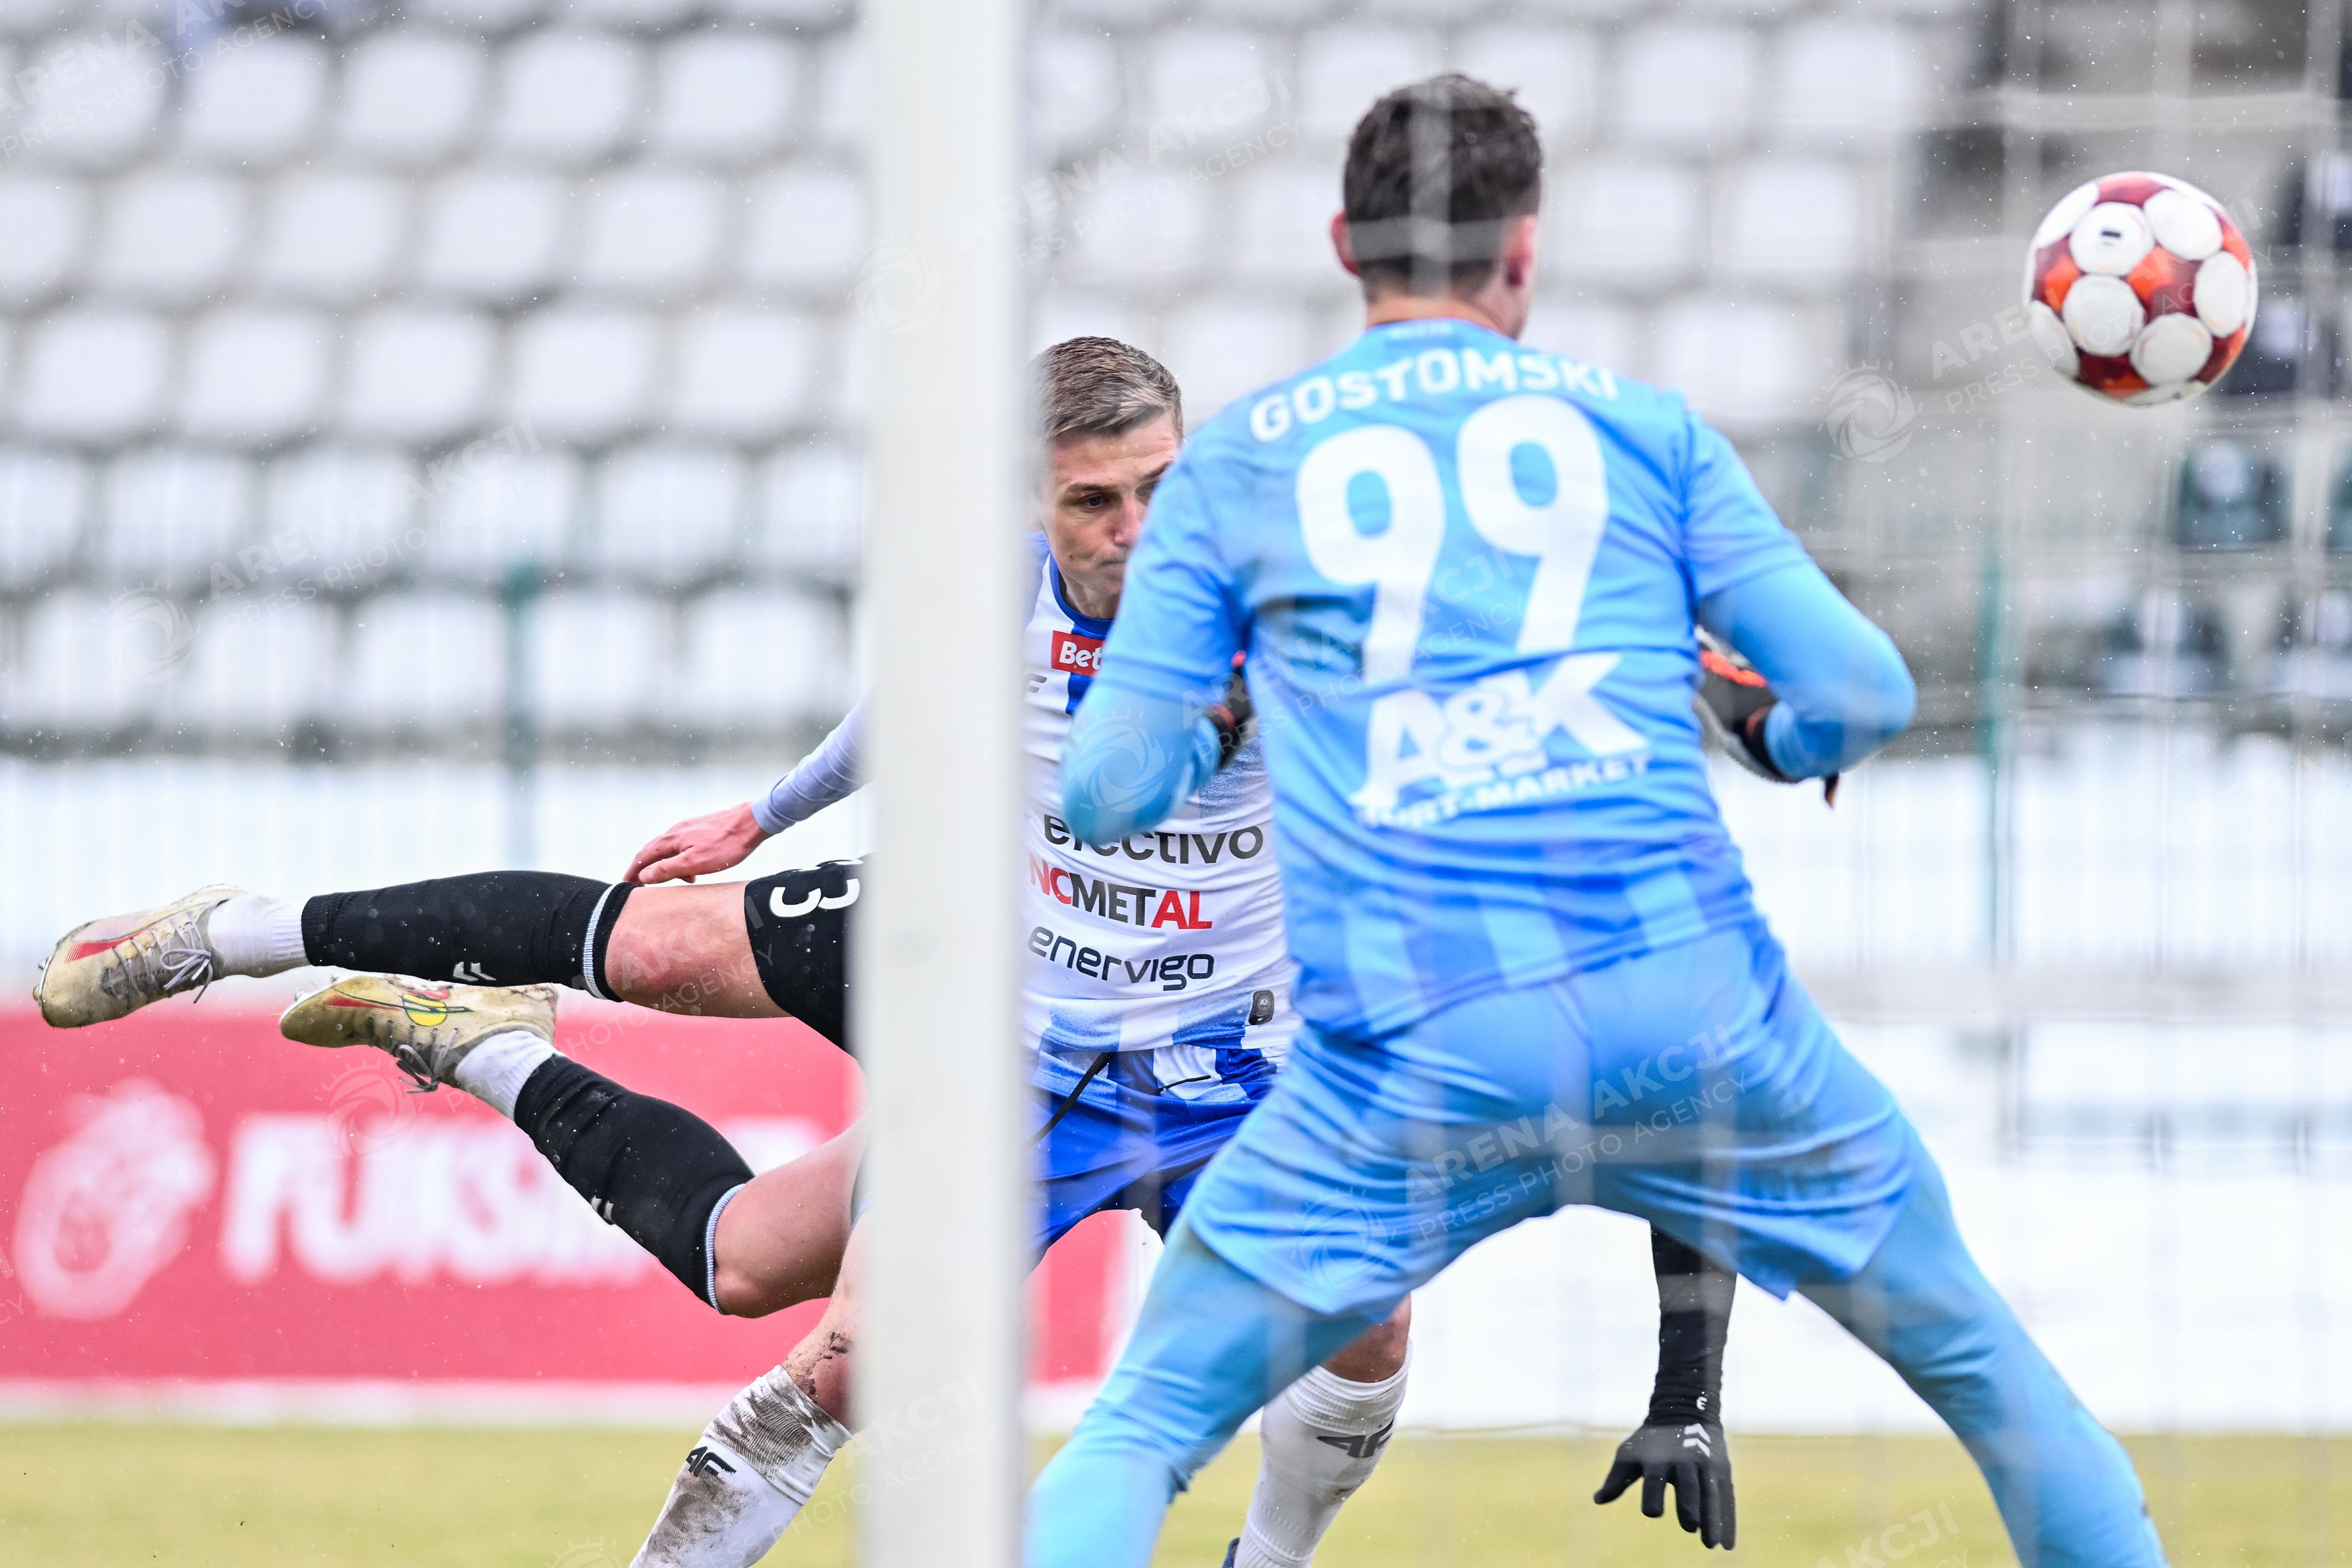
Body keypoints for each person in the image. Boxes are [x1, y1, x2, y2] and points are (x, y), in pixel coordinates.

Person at [33, 338, 1733, 1561]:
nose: (1133, 527)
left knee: (1326, 1320)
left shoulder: (1311, 604)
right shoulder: (996, 596)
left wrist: (1715, 676)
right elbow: (909, 706)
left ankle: (480, 1048)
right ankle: (239, 933)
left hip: (1234, 1065)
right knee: (698, 1030)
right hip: (1005, 1014)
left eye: (1158, 487)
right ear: (1034, 508)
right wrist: (768, 811)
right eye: (1093, 501)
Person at [1030, 76, 2165, 1568]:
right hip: (1695, 1024)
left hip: (1411, 1051)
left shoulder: (1237, 467)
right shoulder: (1645, 432)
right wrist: (1772, 736)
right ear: (1524, 249)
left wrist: (1231, 720)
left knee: (1138, 1429)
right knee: (1993, 1382)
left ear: (1343, 246)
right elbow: (1863, 691)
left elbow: (1105, 793)